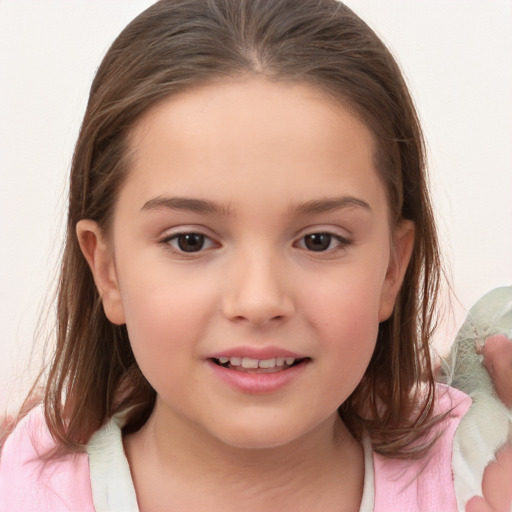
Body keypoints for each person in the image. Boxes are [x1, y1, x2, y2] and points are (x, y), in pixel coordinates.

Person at [0, 1, 510, 510]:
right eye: (190, 241)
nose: (260, 300)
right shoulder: (23, 491)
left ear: (391, 269)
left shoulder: (478, 470)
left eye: (319, 240)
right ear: (107, 270)